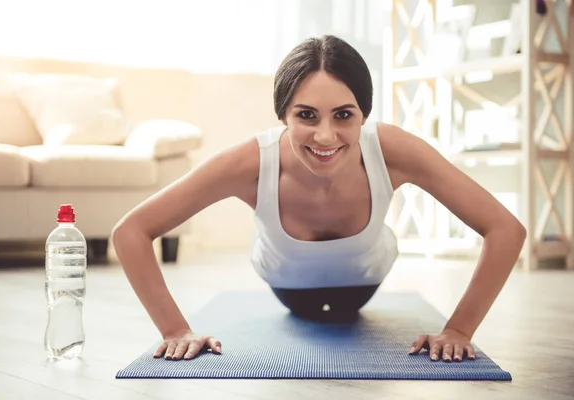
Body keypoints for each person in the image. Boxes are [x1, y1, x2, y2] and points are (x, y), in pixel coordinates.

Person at [112, 35, 526, 364]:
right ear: (283, 116)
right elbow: (131, 231)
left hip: (365, 279)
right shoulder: (251, 162)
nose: (325, 136)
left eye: (343, 115)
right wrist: (174, 330)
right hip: (287, 285)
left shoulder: (393, 150)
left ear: (364, 114)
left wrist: (459, 330)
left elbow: (506, 229)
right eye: (306, 115)